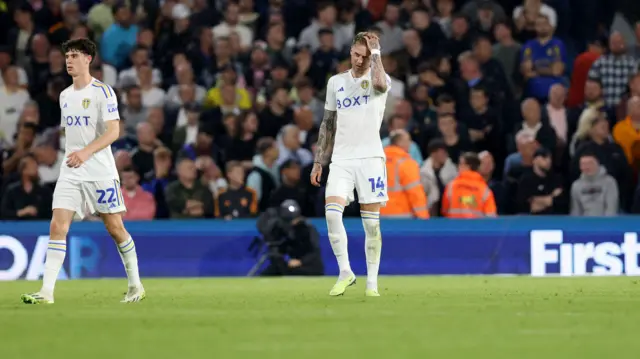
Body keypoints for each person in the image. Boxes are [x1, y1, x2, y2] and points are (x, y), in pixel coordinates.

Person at [21, 38, 145, 305]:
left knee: (115, 228)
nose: (69, 60)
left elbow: (114, 131)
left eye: (75, 55)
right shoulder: (65, 96)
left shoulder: (103, 92)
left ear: (88, 59)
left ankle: (135, 285)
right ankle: (46, 292)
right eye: (67, 55)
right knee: (58, 225)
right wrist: (75, 155)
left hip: (99, 171)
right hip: (71, 170)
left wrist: (87, 152)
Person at [311, 32, 391, 297]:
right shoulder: (336, 82)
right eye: (355, 54)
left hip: (370, 159)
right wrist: (319, 160)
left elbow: (380, 85)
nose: (358, 60)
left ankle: (372, 283)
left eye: (364, 56)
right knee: (332, 214)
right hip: (341, 160)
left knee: (371, 225)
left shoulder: (379, 76)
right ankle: (345, 272)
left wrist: (376, 53)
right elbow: (328, 123)